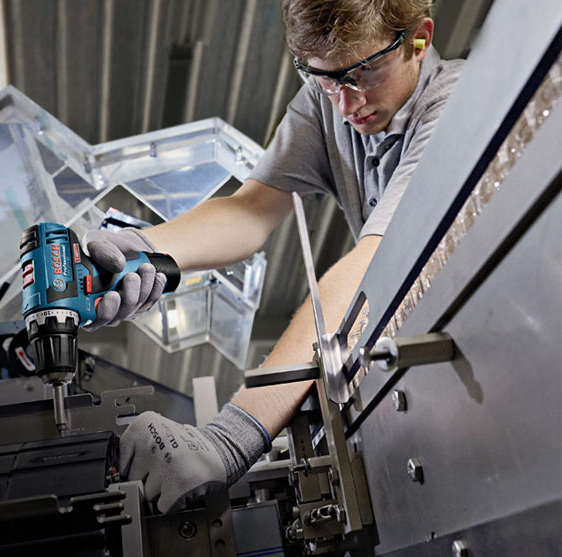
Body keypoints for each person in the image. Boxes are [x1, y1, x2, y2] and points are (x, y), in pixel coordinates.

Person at [82, 0, 464, 514]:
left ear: (420, 38)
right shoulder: (326, 103)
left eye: (364, 73)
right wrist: (150, 249)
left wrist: (231, 436)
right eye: (325, 78)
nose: (346, 104)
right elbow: (252, 209)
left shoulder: (455, 104)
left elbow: (375, 264)